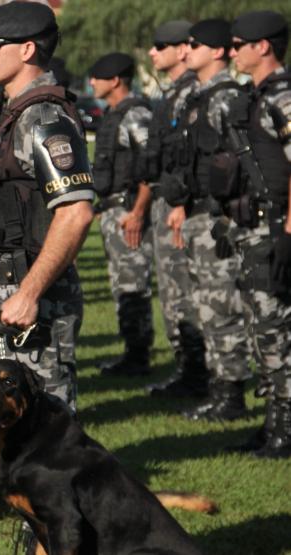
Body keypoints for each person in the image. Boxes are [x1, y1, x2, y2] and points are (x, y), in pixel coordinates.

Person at [0, 1, 94, 410]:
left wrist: (29, 293)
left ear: (28, 50)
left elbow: (75, 212)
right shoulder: (13, 115)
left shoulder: (45, 118)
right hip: (6, 287)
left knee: (47, 421)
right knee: (11, 424)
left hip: (35, 296)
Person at [161, 19, 253, 422]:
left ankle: (232, 395)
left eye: (194, 45)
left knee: (222, 305)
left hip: (221, 217)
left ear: (217, 51)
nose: (186, 51)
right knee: (205, 305)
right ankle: (218, 389)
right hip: (197, 212)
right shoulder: (198, 97)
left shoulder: (227, 98)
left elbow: (243, 163)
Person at [224, 10, 291, 458]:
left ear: (262, 45)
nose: (233, 52)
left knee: (277, 329)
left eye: (239, 43)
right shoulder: (256, 96)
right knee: (260, 328)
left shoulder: (284, 96)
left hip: (275, 226)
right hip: (253, 228)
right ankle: (272, 424)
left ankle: (286, 428)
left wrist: (288, 230)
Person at [143, 20, 209, 398]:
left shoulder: (192, 94)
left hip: (180, 204)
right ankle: (189, 370)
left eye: (160, 45)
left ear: (182, 48)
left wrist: (183, 203)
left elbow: (192, 157)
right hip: (165, 199)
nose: (153, 52)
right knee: (171, 293)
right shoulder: (173, 93)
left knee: (185, 292)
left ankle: (199, 375)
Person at [88, 53, 155, 378]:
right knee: (121, 285)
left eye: (96, 77)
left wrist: (138, 212)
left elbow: (149, 165)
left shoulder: (135, 113)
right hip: (114, 210)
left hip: (130, 212)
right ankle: (132, 353)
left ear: (114, 80)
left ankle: (139, 357)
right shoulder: (114, 114)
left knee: (133, 284)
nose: (92, 83)